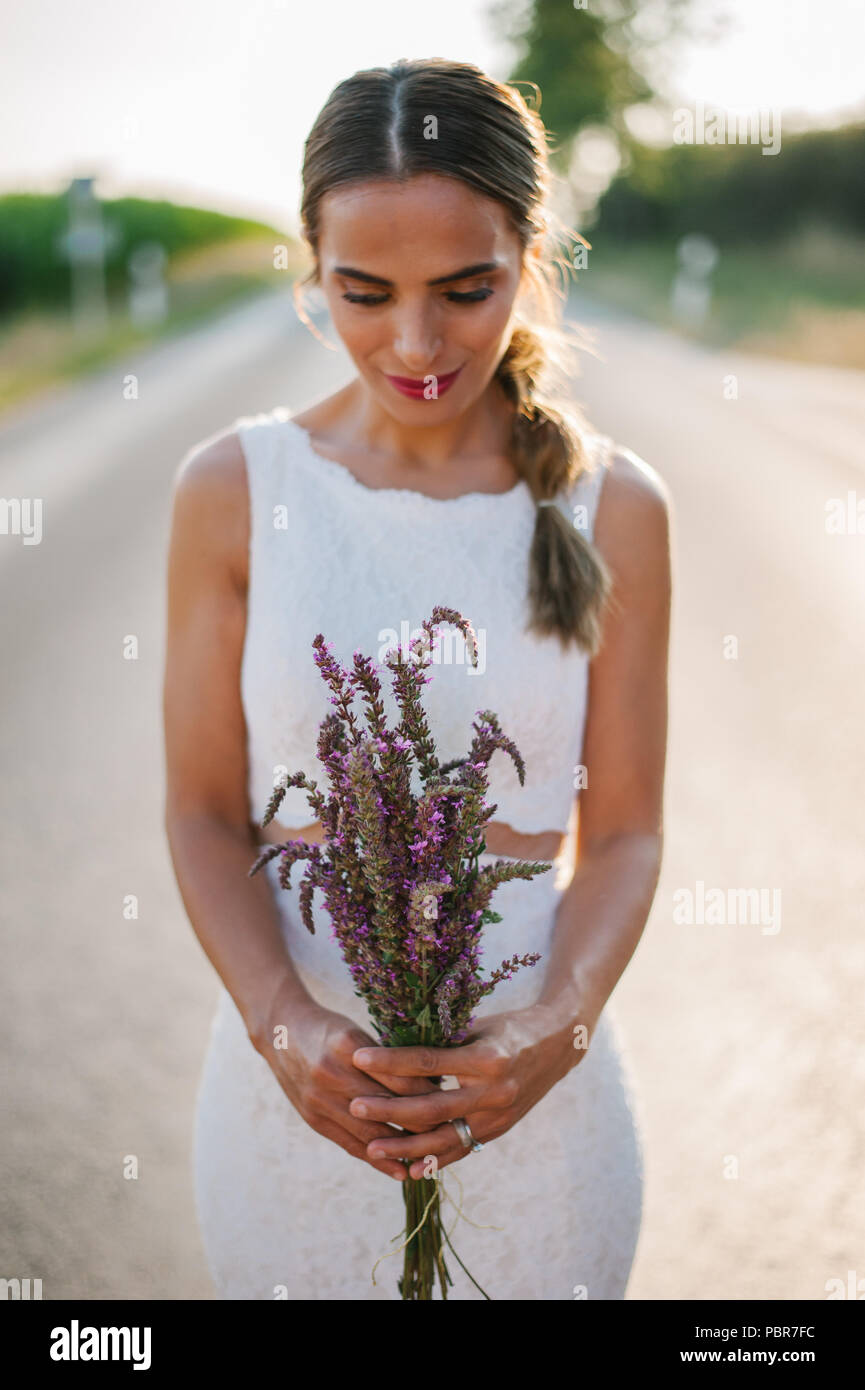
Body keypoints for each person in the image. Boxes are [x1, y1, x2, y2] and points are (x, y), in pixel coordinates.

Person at [163, 57, 671, 1300]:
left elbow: (626, 838)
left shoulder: (617, 510)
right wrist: (287, 1031)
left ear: (530, 255)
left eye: (465, 288)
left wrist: (551, 1035)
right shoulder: (235, 492)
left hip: (536, 1122)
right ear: (310, 268)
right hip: (292, 1115)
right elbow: (201, 812)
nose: (417, 341)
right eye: (363, 290)